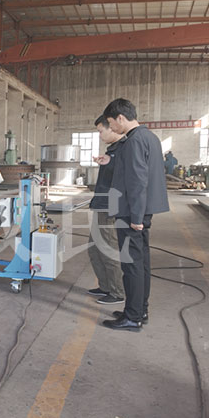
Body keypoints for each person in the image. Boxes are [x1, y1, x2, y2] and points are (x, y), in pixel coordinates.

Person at [101, 98, 169, 331]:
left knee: (131, 265)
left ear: (120, 118)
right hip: (141, 210)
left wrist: (136, 218)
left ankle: (132, 317)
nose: (111, 128)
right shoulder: (148, 137)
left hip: (131, 212)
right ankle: (140, 309)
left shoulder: (133, 141)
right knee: (141, 263)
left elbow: (138, 181)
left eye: (111, 123)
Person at [87, 115, 126, 305]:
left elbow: (126, 177)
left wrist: (110, 162)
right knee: (94, 249)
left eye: (101, 131)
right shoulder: (112, 151)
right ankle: (105, 286)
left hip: (110, 207)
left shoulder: (124, 150)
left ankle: (117, 292)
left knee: (109, 250)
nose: (100, 136)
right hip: (101, 204)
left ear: (112, 127)